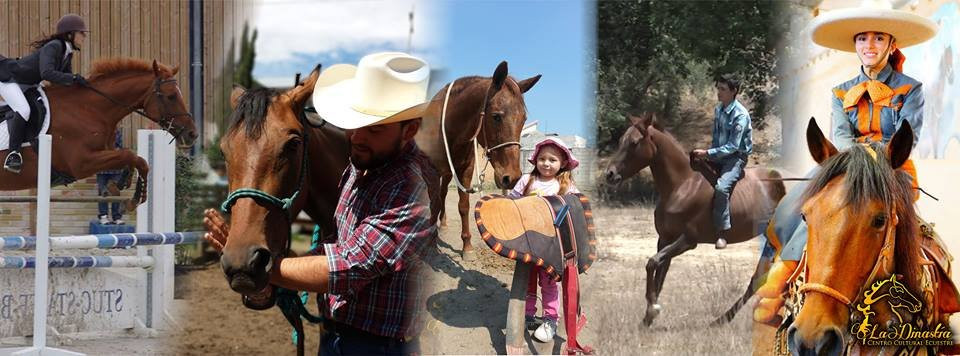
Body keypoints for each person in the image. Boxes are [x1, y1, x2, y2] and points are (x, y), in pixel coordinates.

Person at [204, 52, 438, 355]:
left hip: (380, 347)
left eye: (375, 128)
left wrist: (266, 270)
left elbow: (352, 265)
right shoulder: (361, 167)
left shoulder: (413, 186)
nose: (356, 137)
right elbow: (338, 241)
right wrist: (272, 278)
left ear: (409, 130)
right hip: (335, 336)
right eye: (354, 123)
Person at [753, 0, 938, 324]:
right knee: (806, 202)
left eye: (878, 38)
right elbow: (840, 134)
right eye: (862, 38)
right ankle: (780, 278)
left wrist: (874, 159)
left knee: (909, 226)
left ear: (891, 44)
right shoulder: (841, 91)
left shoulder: (912, 89)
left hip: (892, 168)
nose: (870, 45)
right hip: (848, 164)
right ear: (855, 44)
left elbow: (909, 135)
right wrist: (855, 161)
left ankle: (923, 291)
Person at [508, 137, 580, 343]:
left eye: (552, 160)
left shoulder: (565, 185)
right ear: (536, 159)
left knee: (548, 283)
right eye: (542, 159)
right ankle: (527, 314)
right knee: (525, 280)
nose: (546, 164)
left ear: (563, 164)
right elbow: (512, 202)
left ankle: (550, 319)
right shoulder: (526, 180)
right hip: (526, 242)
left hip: (551, 246)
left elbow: (576, 209)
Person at [0, 14, 90, 173]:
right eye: (81, 33)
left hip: (28, 83)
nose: (84, 36)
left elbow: (63, 81)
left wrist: (81, 86)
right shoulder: (54, 46)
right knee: (23, 109)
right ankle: (13, 154)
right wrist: (74, 78)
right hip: (9, 79)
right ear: (70, 34)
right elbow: (47, 73)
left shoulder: (67, 52)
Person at [692, 74, 753, 249]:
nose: (719, 93)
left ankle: (722, 232)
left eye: (723, 89)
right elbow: (716, 138)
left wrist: (708, 153)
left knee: (721, 187)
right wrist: (708, 156)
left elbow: (733, 146)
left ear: (734, 92)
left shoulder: (740, 115)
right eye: (718, 89)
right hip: (718, 156)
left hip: (735, 158)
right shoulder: (719, 110)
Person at [96, 130, 126, 225]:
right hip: (101, 168)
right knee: (102, 192)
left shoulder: (117, 132)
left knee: (115, 192)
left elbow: (119, 148)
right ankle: (103, 216)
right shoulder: (98, 132)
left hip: (115, 168)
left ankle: (116, 217)